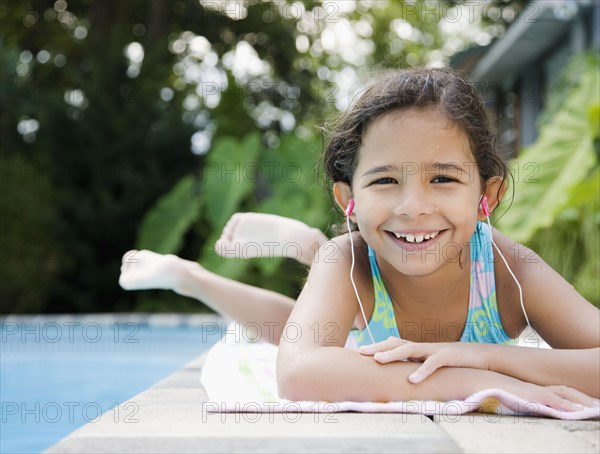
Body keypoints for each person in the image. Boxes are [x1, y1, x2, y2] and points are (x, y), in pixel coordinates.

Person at [120, 68, 600, 411]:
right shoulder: (347, 257)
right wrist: (476, 380)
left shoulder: (507, 267)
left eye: (444, 179)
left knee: (328, 329)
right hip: (361, 275)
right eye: (385, 181)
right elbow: (299, 372)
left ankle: (305, 247)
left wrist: (484, 354)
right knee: (318, 324)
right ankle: (194, 277)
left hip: (364, 302)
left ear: (486, 195)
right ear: (348, 197)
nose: (413, 205)